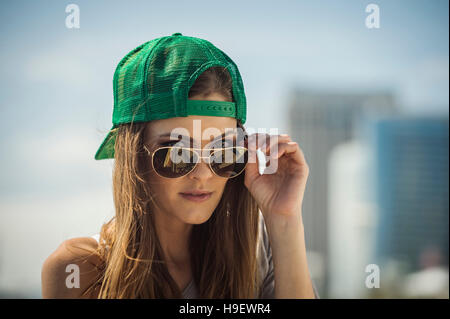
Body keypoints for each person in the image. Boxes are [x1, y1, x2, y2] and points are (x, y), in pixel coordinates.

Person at [41, 33, 318, 299]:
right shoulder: (79, 269)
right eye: (177, 154)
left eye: (223, 152)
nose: (202, 173)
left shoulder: (257, 251)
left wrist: (285, 218)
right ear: (134, 156)